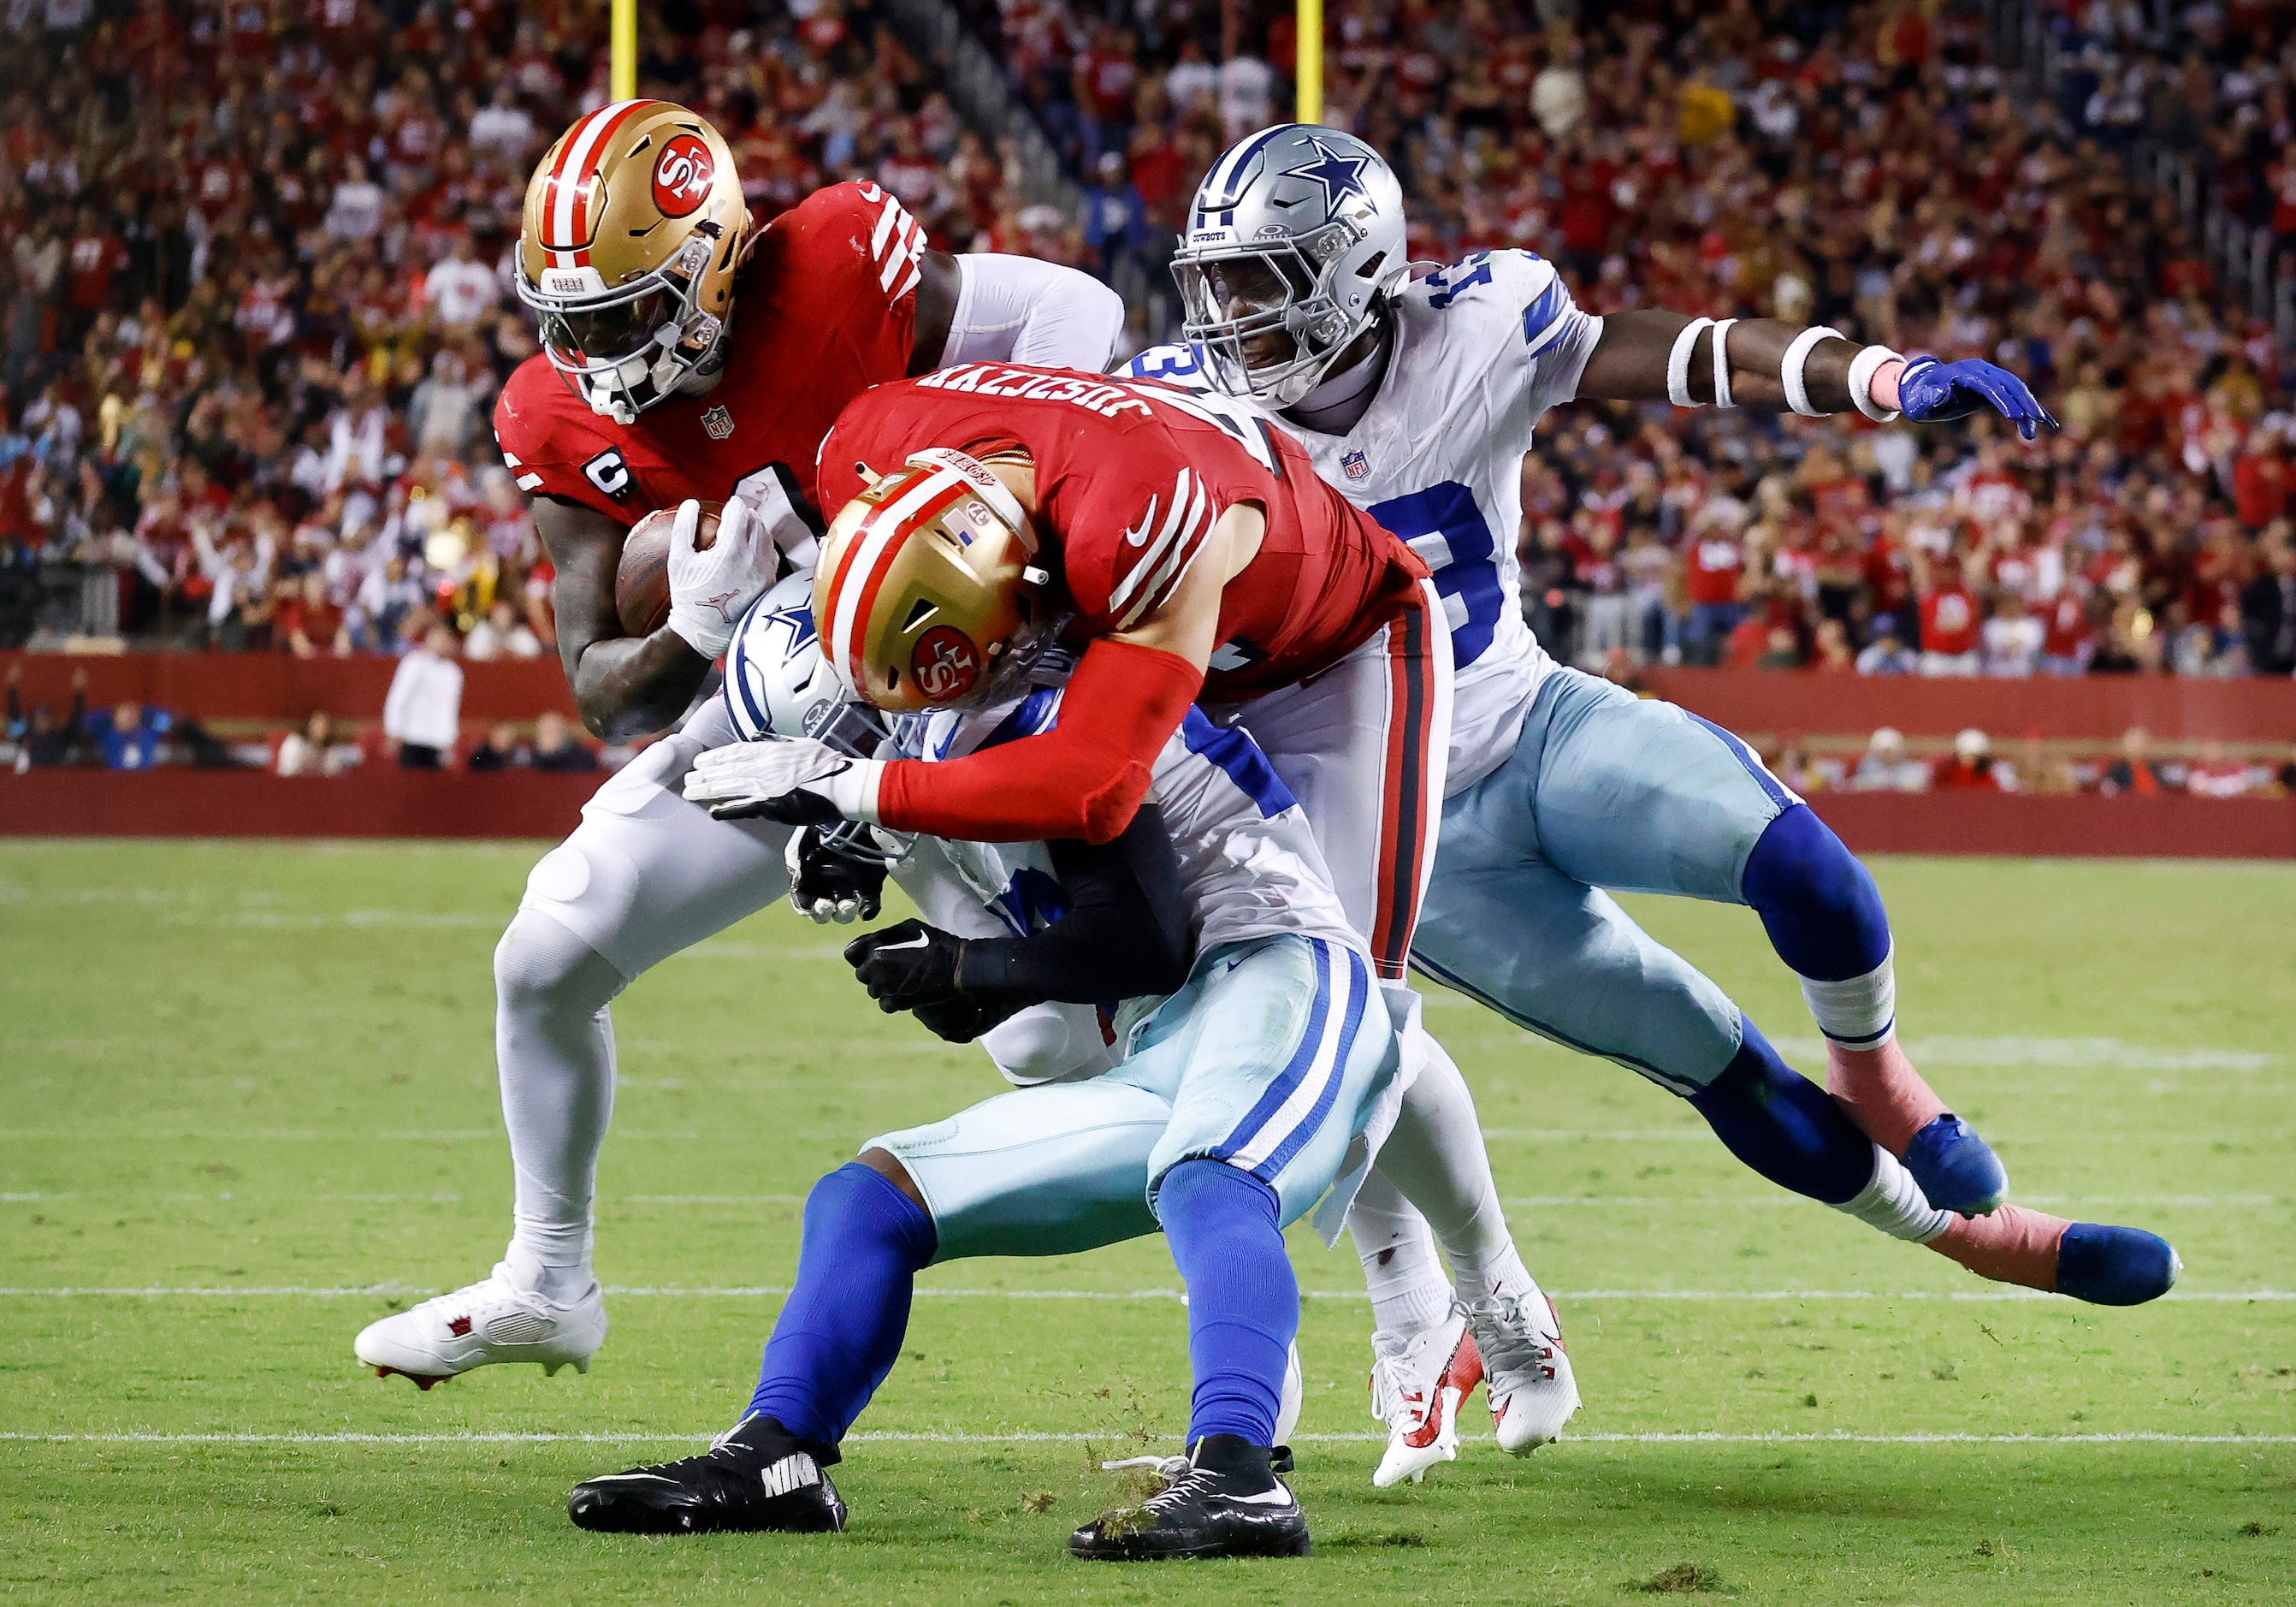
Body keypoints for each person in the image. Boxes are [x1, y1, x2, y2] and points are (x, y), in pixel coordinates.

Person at [1119, 126, 2175, 1470]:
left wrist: (1881, 376)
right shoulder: (1178, 410)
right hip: (1415, 848)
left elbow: (1690, 355)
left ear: (1360, 267)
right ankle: (1974, 1240)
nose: (1236, 318)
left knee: (1810, 871)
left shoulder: (1478, 323)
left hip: (1535, 721)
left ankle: (1887, 1081)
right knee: (1711, 1054)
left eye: (1268, 279)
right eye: (1221, 282)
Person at [353, 101, 1127, 1387]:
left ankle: (1395, 1240)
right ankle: (547, 1279)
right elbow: (604, 690)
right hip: (776, 693)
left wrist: (967, 513)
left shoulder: (830, 266)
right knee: (547, 949)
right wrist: (698, 627)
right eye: (569, 314)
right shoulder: (560, 413)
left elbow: (1077, 317)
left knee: (1069, 1040)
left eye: (620, 310)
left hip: (950, 686)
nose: (587, 346)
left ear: (714, 264)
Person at [563, 604, 1417, 1558]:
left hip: (1280, 970)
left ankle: (1238, 1479)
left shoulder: (1060, 702)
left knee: (1210, 1174)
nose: (853, 725)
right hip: (1162, 1037)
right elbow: (1085, 947)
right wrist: (958, 968)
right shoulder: (952, 718)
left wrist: (972, 967)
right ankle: (777, 1458)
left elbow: (1144, 934)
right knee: (871, 1195)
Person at [382, 624, 463, 769]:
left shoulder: (453, 672)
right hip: (411, 736)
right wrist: (393, 729)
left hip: (437, 740)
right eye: (438, 638)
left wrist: (450, 739)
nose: (442, 642)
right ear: (429, 639)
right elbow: (398, 697)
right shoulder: (414, 662)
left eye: (445, 638)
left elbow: (450, 708)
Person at [529, 710, 598, 774]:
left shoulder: (584, 758)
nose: (549, 735)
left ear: (564, 733)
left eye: (553, 730)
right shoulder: (528, 759)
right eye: (545, 731)